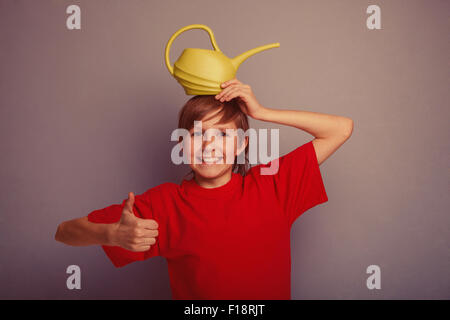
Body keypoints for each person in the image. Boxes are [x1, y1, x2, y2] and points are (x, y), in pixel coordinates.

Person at [54, 78, 353, 299]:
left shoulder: (273, 184)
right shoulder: (163, 204)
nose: (209, 145)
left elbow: (340, 129)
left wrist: (261, 112)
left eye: (223, 134)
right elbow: (64, 232)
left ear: (242, 144)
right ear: (182, 144)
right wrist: (110, 233)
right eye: (197, 134)